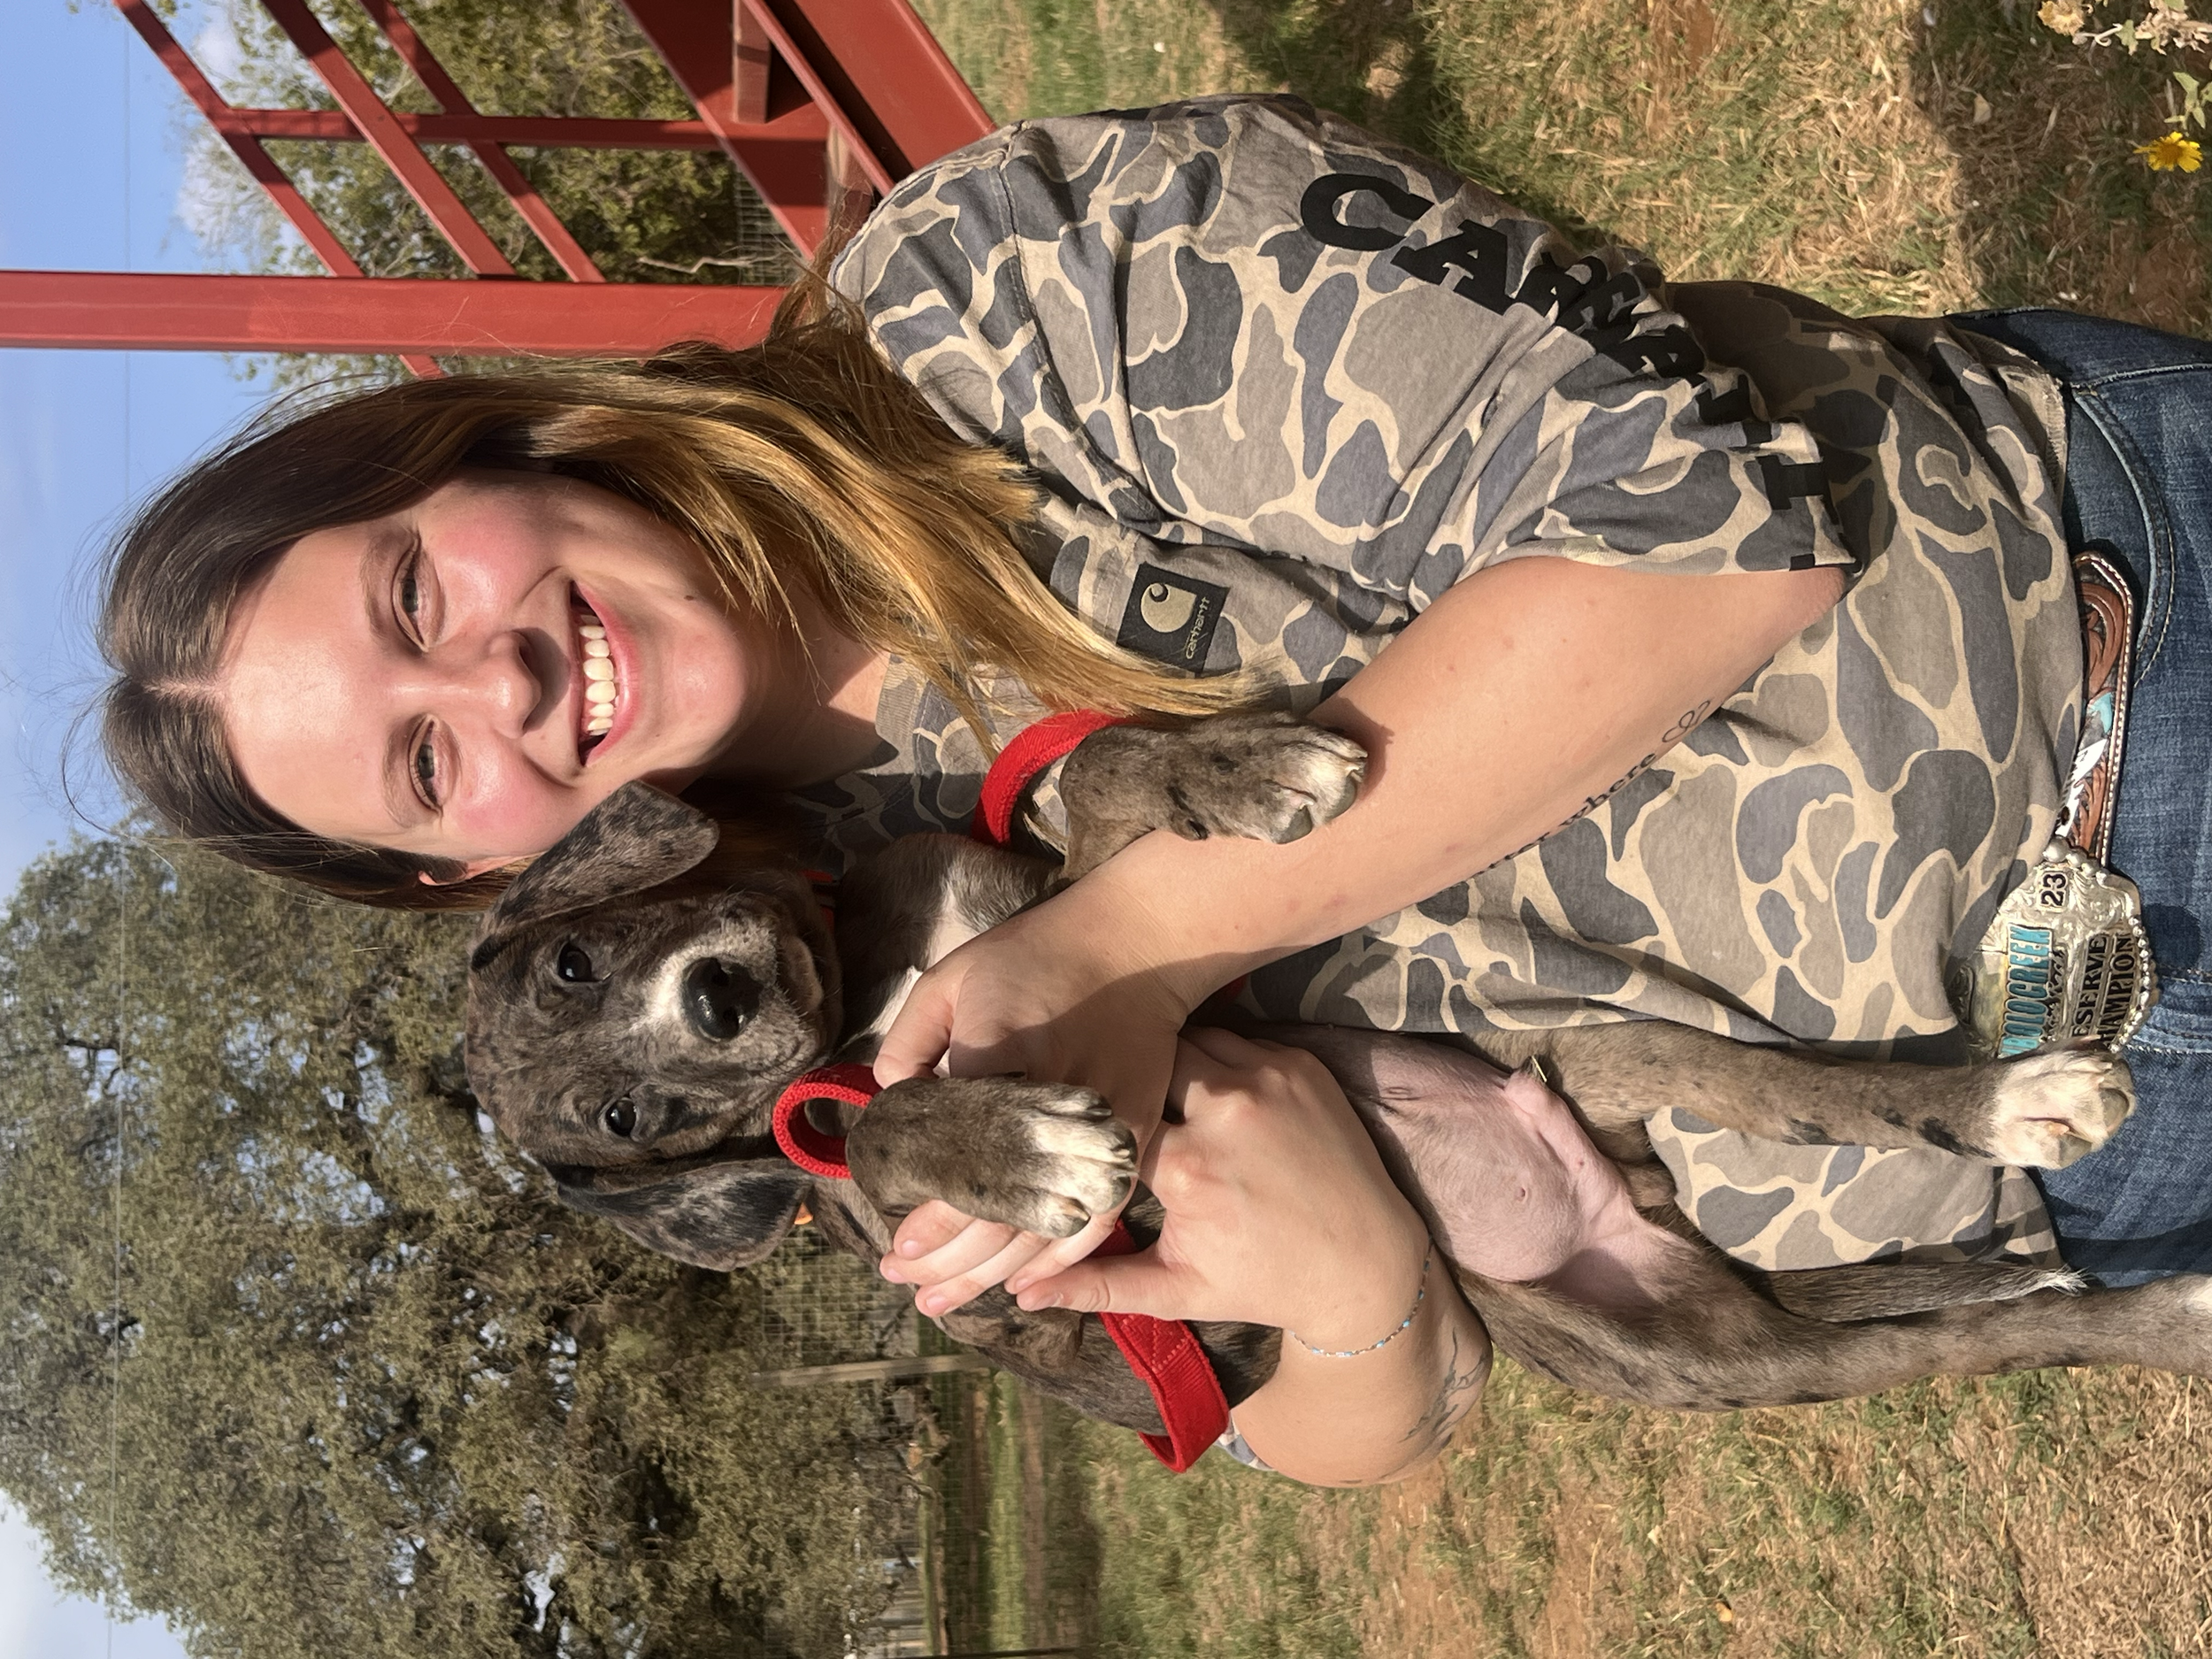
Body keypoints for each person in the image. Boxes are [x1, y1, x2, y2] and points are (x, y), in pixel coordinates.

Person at [95, 96, 2209, 1482]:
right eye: (426, 756)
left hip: (2120, 699)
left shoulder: (981, 297)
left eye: (408, 588)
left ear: (470, 450)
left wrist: (1125, 945)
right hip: (2058, 1177)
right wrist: (1353, 1283)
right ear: (464, 869)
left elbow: (1703, 533)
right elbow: (1352, 1412)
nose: (497, 673)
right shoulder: (823, 1030)